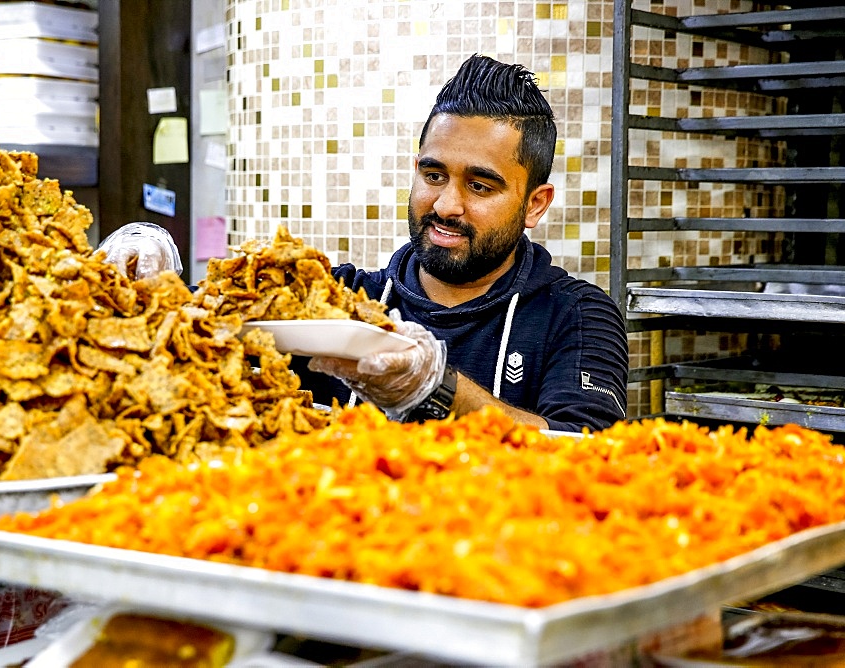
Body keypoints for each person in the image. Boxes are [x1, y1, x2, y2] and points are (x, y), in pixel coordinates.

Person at [101, 55, 629, 433]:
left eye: (481, 185)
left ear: (535, 203)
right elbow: (201, 319)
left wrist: (435, 390)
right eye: (433, 174)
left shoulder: (577, 315)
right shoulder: (343, 302)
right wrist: (150, 272)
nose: (446, 204)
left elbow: (585, 458)